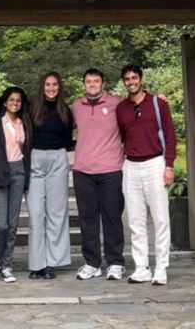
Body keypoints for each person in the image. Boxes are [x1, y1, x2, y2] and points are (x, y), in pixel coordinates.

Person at [115, 64, 177, 286]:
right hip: (131, 166)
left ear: (141, 79)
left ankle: (161, 267)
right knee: (135, 220)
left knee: (160, 218)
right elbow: (122, 136)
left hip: (155, 163)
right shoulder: (121, 108)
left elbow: (170, 135)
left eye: (134, 77)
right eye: (127, 79)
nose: (131, 82)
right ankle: (141, 267)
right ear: (124, 82)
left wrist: (169, 166)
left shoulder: (158, 103)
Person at [71, 68, 127, 281]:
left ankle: (115, 262)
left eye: (96, 81)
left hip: (111, 170)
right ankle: (92, 263)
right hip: (83, 171)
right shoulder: (76, 107)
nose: (92, 84)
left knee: (112, 217)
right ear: (83, 84)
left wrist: (158, 101)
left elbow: (137, 108)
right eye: (88, 81)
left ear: (103, 83)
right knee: (88, 219)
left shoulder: (117, 103)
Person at [26, 71, 74, 279]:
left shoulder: (66, 111)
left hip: (57, 159)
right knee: (36, 213)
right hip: (36, 158)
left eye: (55, 84)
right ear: (42, 86)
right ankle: (37, 264)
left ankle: (52, 263)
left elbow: (68, 140)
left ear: (59, 87)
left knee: (57, 213)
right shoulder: (32, 108)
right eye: (48, 84)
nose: (51, 88)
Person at [0, 86, 32, 283]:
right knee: (1, 224)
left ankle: (7, 265)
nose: (15, 103)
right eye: (11, 100)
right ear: (4, 102)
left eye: (18, 100)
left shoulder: (24, 122)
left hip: (18, 171)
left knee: (12, 224)